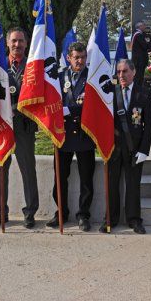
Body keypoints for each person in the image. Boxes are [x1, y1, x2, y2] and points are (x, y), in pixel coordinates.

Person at [0, 28, 39, 229]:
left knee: (28, 171)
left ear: (26, 44)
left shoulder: (33, 67)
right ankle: (0, 212)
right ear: (7, 43)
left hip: (24, 126)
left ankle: (30, 212)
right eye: (13, 41)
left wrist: (15, 109)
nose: (17, 45)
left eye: (21, 41)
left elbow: (38, 95)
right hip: (0, 126)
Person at [46, 42, 96, 231]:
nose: (80, 61)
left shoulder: (92, 77)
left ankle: (83, 215)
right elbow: (51, 100)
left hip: (84, 134)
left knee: (86, 179)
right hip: (63, 134)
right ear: (69, 58)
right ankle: (61, 212)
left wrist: (69, 109)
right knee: (60, 177)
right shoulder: (58, 77)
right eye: (76, 57)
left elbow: (93, 105)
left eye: (83, 57)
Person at [99, 60, 151, 234]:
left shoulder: (144, 93)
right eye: (119, 72)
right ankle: (110, 219)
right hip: (114, 148)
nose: (121, 75)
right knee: (112, 185)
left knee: (133, 185)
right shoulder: (110, 93)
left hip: (134, 149)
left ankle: (134, 220)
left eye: (125, 71)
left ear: (134, 71)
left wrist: (145, 150)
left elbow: (149, 124)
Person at [131, 20, 151, 86]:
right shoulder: (138, 35)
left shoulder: (137, 34)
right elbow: (145, 46)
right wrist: (148, 43)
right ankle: (137, 92)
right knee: (138, 77)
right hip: (139, 61)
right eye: (144, 25)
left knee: (139, 77)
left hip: (138, 60)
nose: (145, 27)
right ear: (140, 27)